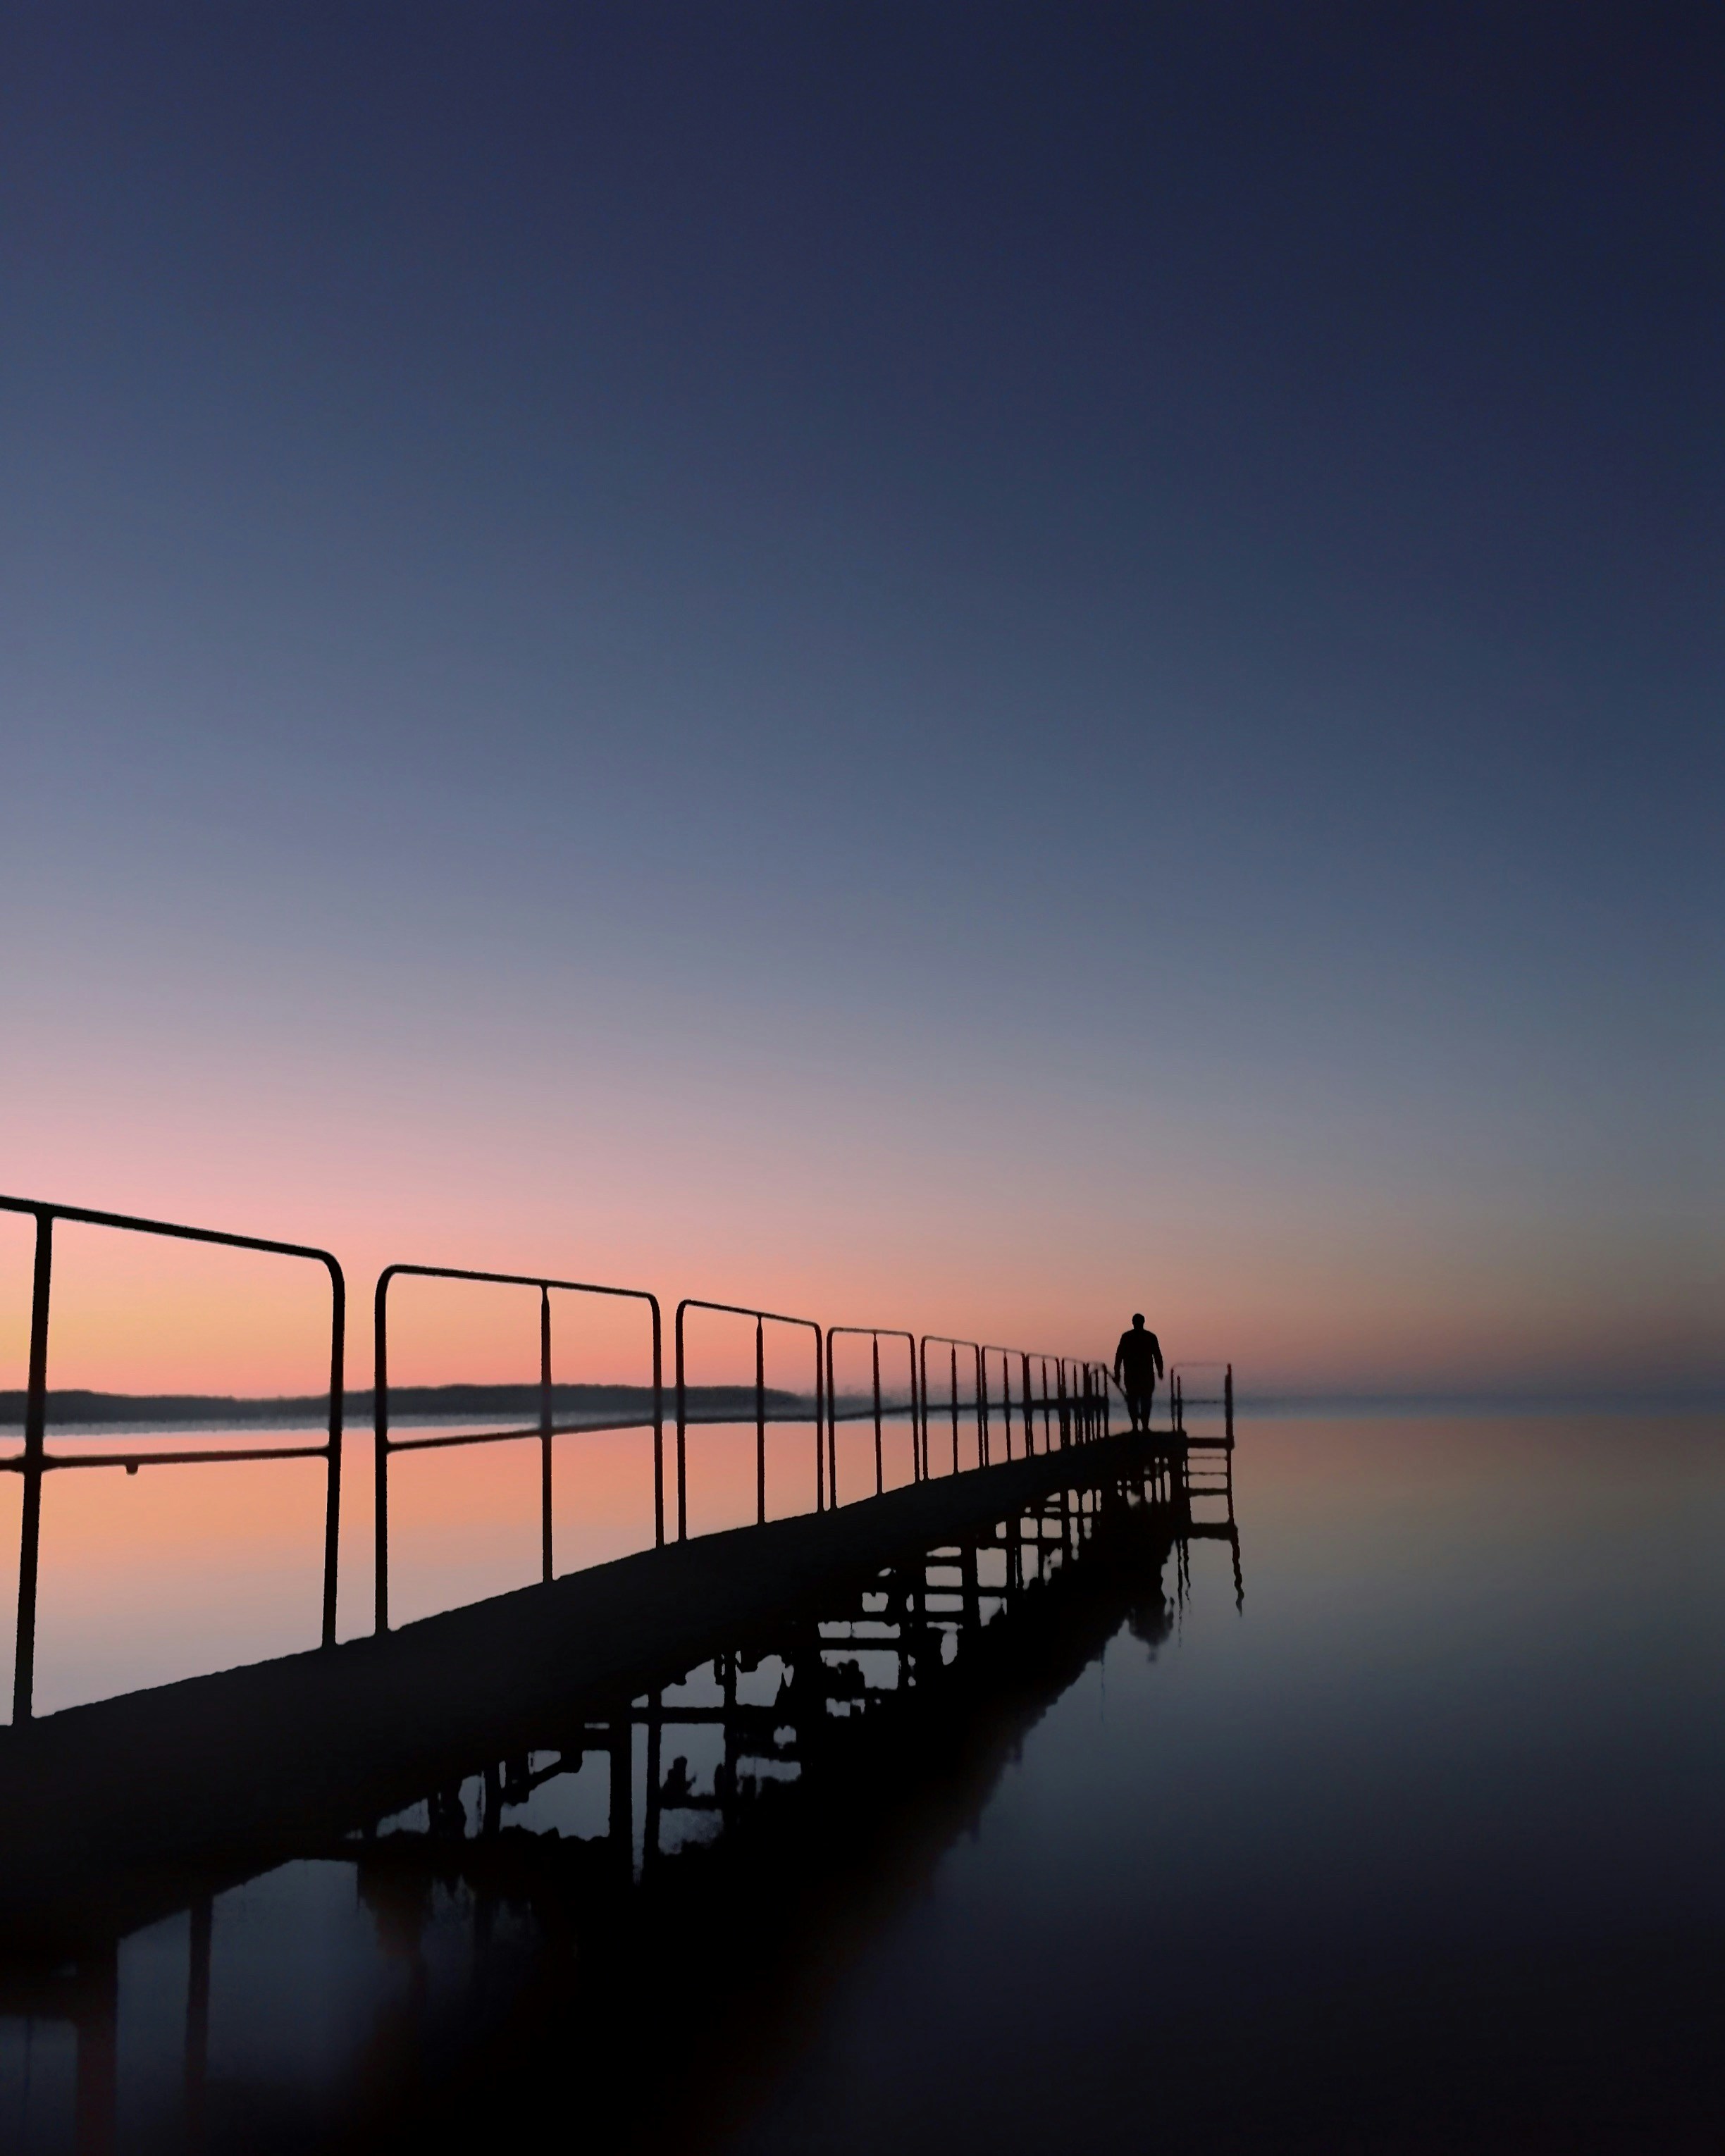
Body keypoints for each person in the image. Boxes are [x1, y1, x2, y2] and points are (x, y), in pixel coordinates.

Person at [1113, 1313, 1163, 1433]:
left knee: (1134, 1401)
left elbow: (1119, 1357)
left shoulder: (1127, 1337)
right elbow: (1157, 1356)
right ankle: (1143, 1426)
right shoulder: (1150, 1337)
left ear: (1133, 1322)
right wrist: (1160, 1371)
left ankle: (1136, 1427)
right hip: (1144, 1376)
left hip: (1133, 1376)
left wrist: (1117, 1373)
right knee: (1144, 1401)